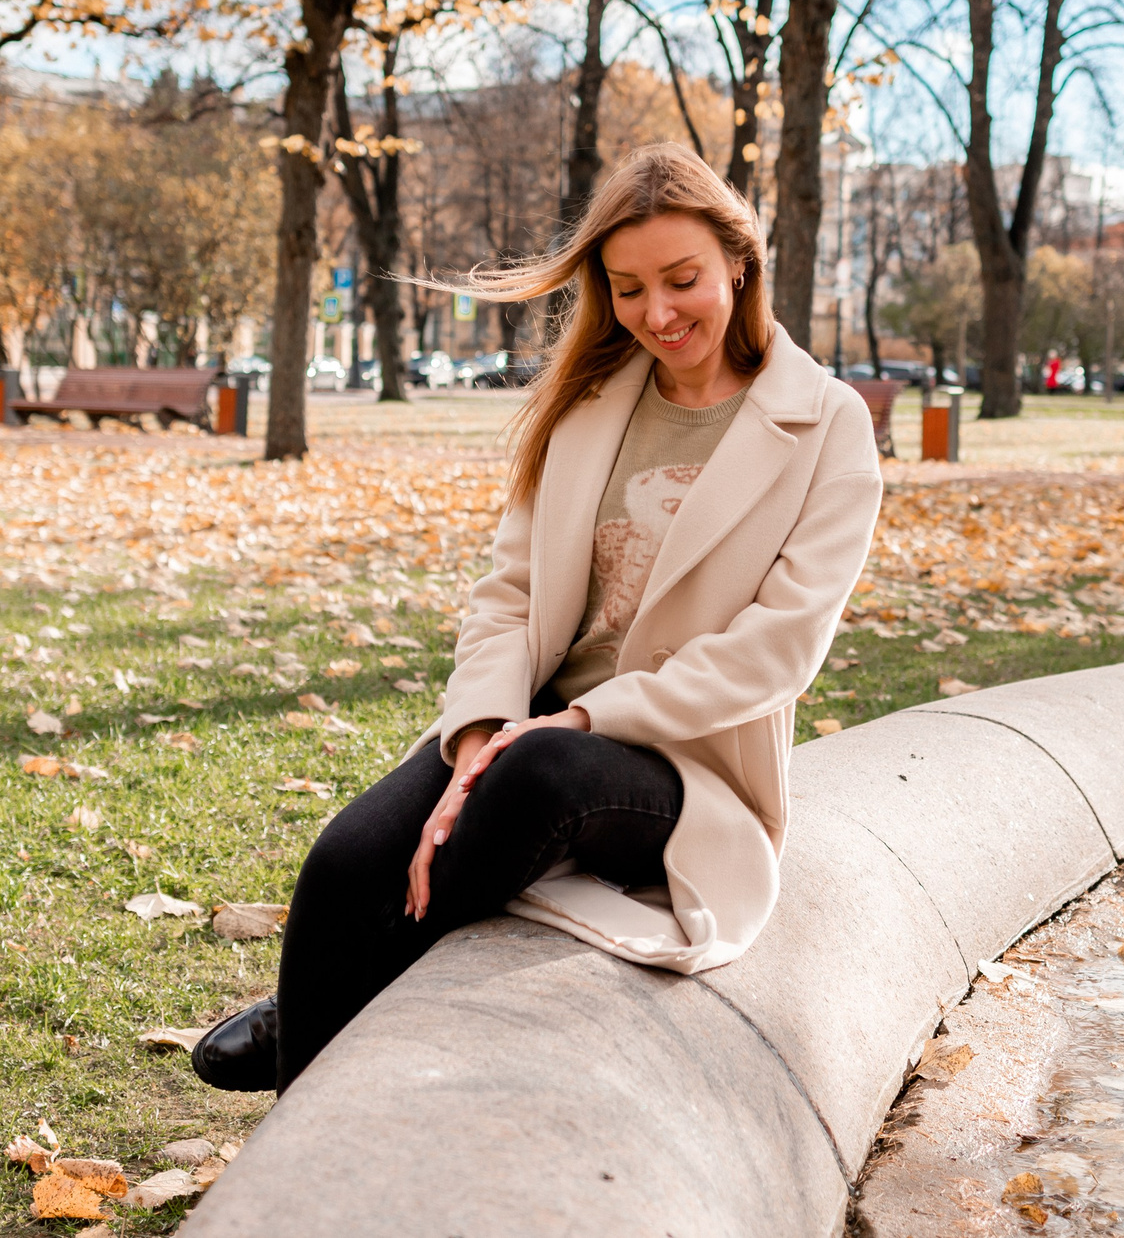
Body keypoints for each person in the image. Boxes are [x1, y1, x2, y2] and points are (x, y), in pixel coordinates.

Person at [191, 143, 884, 1093]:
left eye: (683, 279)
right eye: (629, 288)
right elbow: (508, 595)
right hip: (527, 723)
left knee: (541, 773)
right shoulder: (587, 402)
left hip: (678, 761)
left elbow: (780, 647)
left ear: (740, 261)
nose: (659, 313)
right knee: (346, 860)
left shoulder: (827, 422)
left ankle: (335, 992)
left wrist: (582, 719)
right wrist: (478, 730)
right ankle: (306, 1085)